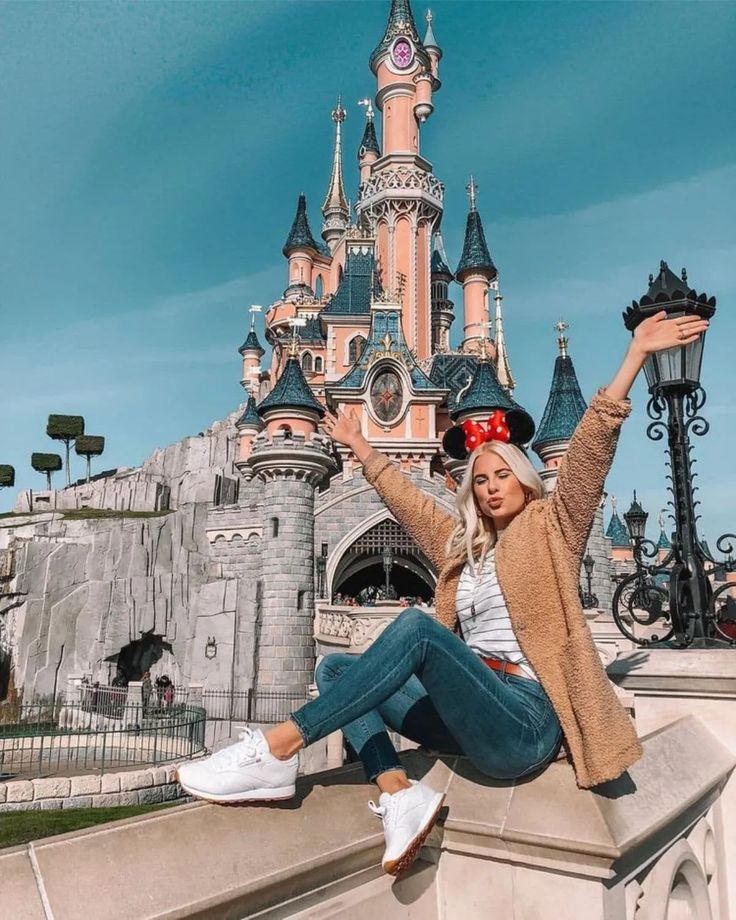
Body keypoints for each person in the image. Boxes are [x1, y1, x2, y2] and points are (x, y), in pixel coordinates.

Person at [176, 310, 708, 877]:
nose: (491, 487)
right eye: (480, 480)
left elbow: (589, 454)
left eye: (502, 475)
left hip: (524, 719)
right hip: (469, 710)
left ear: (525, 479)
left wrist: (635, 359)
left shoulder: (554, 528)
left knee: (416, 627)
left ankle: (278, 747)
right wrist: (360, 445)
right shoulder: (462, 549)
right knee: (335, 672)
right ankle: (399, 792)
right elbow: (409, 503)